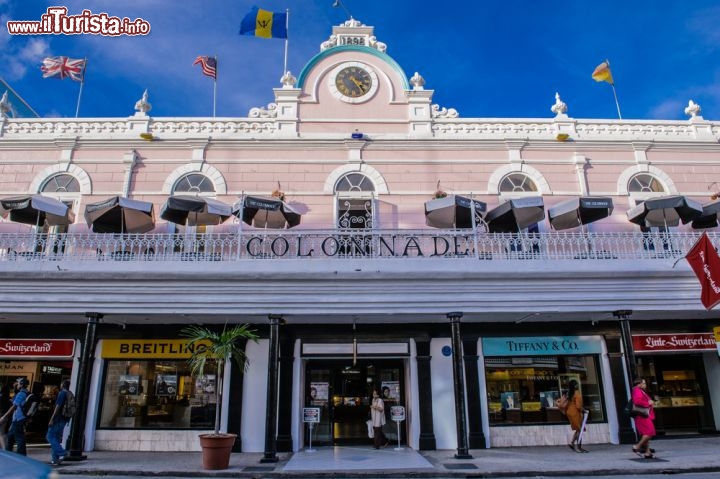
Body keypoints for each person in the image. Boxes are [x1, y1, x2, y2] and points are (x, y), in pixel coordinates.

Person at [1, 377, 29, 455]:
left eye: (18, 382)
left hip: (18, 418)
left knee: (19, 438)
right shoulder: (25, 392)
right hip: (18, 418)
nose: (16, 384)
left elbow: (14, 406)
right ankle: (8, 453)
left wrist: (4, 416)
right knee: (10, 437)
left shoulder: (21, 393)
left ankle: (22, 455)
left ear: (22, 384)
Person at [47, 379, 72, 465]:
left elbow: (58, 406)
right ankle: (55, 459)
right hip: (65, 419)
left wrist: (52, 419)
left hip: (58, 418)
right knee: (56, 438)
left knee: (49, 436)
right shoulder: (70, 394)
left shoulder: (62, 393)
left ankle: (63, 452)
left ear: (62, 385)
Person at [631, 377, 656, 459]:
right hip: (642, 415)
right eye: (644, 383)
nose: (645, 385)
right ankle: (637, 446)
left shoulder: (640, 391)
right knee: (649, 432)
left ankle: (647, 452)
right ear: (639, 384)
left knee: (646, 433)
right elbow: (637, 401)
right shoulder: (637, 390)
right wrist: (648, 403)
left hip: (643, 415)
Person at [565, 379, 588, 453]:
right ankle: (579, 447)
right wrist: (583, 410)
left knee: (578, 429)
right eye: (577, 384)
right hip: (575, 413)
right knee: (579, 430)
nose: (578, 385)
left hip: (569, 412)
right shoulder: (577, 393)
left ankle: (572, 443)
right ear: (575, 385)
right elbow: (578, 406)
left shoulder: (569, 393)